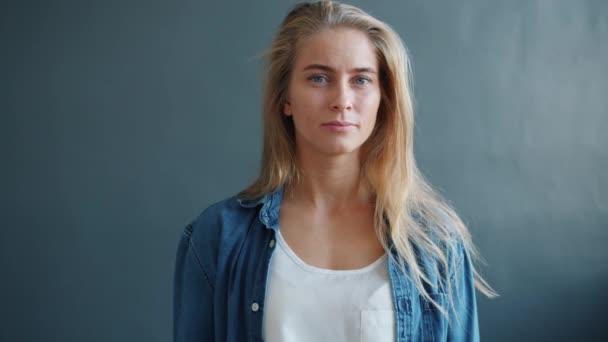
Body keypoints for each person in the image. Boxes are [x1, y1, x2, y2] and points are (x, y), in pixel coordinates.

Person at [173, 1, 496, 341]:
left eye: (360, 79)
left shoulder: (434, 243)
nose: (341, 99)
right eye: (318, 78)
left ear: (382, 100)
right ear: (286, 98)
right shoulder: (218, 237)